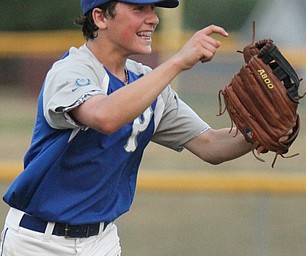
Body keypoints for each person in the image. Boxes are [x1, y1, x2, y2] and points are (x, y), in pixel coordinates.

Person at [0, 0, 252, 255]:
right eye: (139, 9)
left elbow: (211, 145)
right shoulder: (70, 71)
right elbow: (105, 116)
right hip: (37, 241)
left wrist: (257, 134)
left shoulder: (146, 83)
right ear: (100, 17)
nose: (153, 19)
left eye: (153, 9)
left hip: (102, 241)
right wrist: (177, 62)